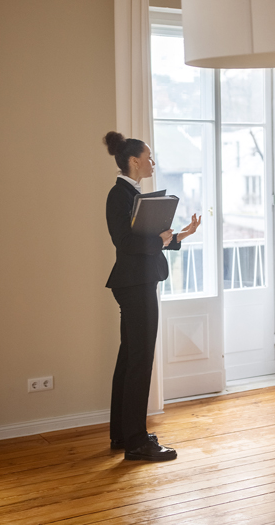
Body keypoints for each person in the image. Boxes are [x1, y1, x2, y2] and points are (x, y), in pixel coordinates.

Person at [103, 131, 200, 462]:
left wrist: (179, 235)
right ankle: (136, 441)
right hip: (134, 284)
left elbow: (147, 240)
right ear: (134, 161)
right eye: (149, 157)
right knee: (139, 361)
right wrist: (160, 240)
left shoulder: (132, 195)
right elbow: (127, 244)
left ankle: (122, 433)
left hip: (137, 282)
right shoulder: (119, 196)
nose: (153, 163)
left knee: (130, 358)